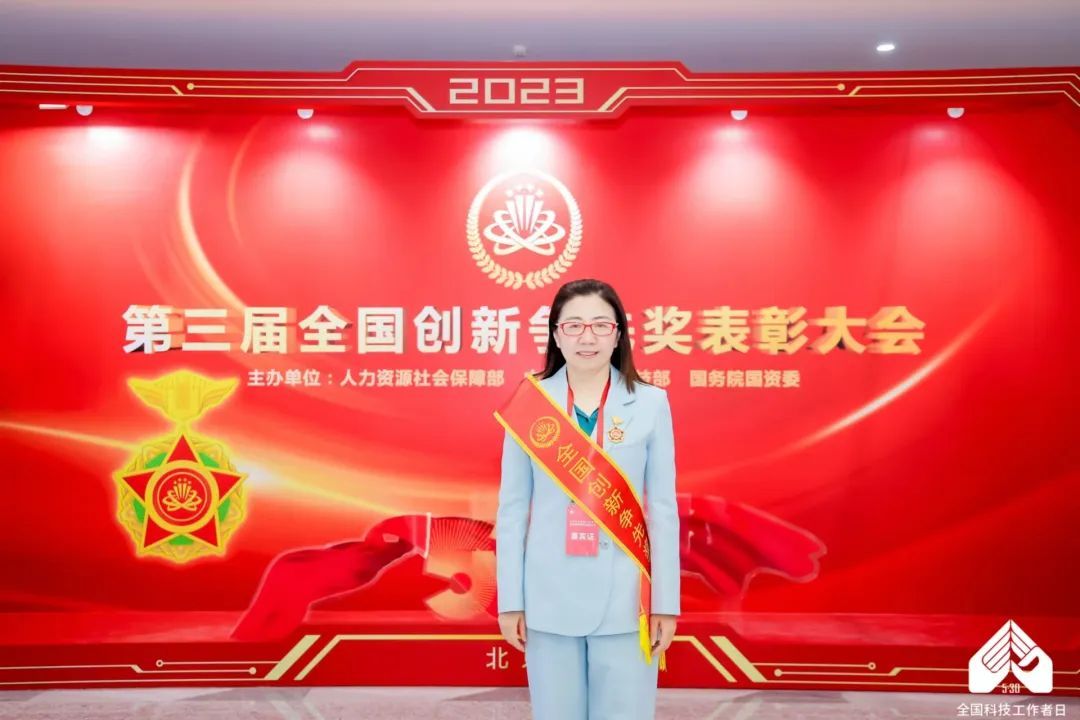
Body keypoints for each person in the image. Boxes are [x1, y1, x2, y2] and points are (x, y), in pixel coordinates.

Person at [494, 278, 680, 720]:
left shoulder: (650, 403)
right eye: (574, 326)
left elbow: (663, 510)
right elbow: (512, 511)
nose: (587, 337)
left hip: (626, 599)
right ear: (556, 336)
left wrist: (666, 604)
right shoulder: (530, 404)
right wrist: (510, 600)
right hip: (547, 595)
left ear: (618, 335)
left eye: (600, 325)